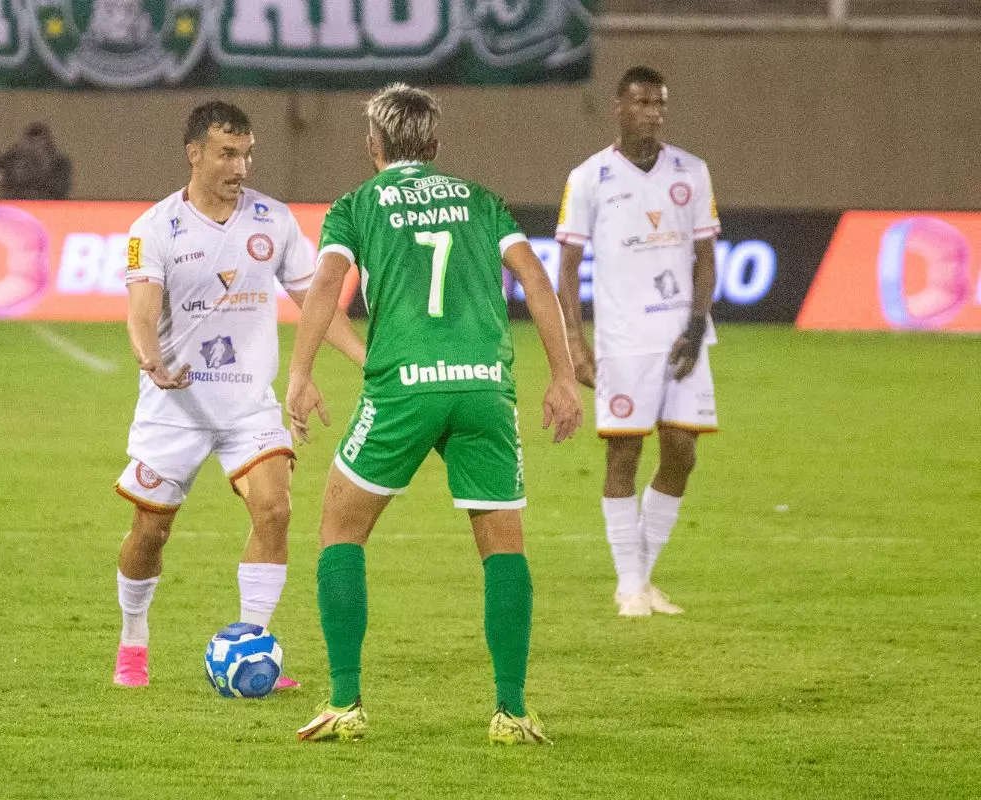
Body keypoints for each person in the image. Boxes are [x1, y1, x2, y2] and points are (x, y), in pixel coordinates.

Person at [285, 83, 582, 744]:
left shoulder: (356, 205)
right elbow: (536, 279)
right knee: (503, 544)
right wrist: (562, 376)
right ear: (436, 145)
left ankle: (344, 702)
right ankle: (510, 711)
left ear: (374, 146)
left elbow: (327, 286)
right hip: (483, 384)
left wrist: (301, 373)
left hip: (405, 385)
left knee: (340, 527)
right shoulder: (482, 200)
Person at [111, 101, 365, 688]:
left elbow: (317, 304)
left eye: (247, 153)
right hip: (175, 407)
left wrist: (367, 361)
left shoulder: (272, 221)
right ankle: (134, 638)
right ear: (194, 153)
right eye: (228, 153)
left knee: (274, 511)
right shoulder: (152, 229)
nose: (241, 166)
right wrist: (150, 359)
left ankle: (252, 647)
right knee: (151, 533)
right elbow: (141, 312)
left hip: (249, 405)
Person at [555, 66, 720, 618]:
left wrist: (697, 328)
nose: (653, 112)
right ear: (619, 107)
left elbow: (705, 258)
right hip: (623, 340)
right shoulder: (588, 178)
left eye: (660, 104)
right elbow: (568, 268)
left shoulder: (691, 172)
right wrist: (576, 345)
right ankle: (630, 585)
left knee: (682, 452)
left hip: (680, 337)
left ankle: (641, 578)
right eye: (643, 102)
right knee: (623, 452)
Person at [0, 123, 73, 200]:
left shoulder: (61, 164)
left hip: (49, 207)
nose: (35, 147)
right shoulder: (11, 161)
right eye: (32, 143)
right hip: (17, 206)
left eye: (39, 144)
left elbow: (60, 189)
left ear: (48, 144)